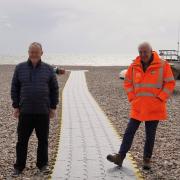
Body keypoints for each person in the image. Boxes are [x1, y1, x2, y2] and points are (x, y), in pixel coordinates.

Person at [107, 42, 176, 170]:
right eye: (140, 52)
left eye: (145, 52)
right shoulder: (134, 66)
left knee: (150, 135)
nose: (143, 55)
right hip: (138, 106)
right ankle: (120, 157)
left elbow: (170, 83)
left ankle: (147, 160)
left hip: (154, 107)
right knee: (129, 132)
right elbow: (127, 83)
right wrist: (132, 98)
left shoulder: (162, 65)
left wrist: (161, 98)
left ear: (151, 51)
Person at [11, 42, 59, 176]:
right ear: (28, 52)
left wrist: (53, 107)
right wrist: (16, 106)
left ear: (41, 53)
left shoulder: (49, 69)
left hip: (43, 111)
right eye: (31, 52)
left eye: (36, 52)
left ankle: (43, 165)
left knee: (43, 140)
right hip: (25, 111)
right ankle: (19, 166)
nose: (34, 54)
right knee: (22, 141)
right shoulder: (19, 68)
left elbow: (54, 89)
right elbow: (15, 88)